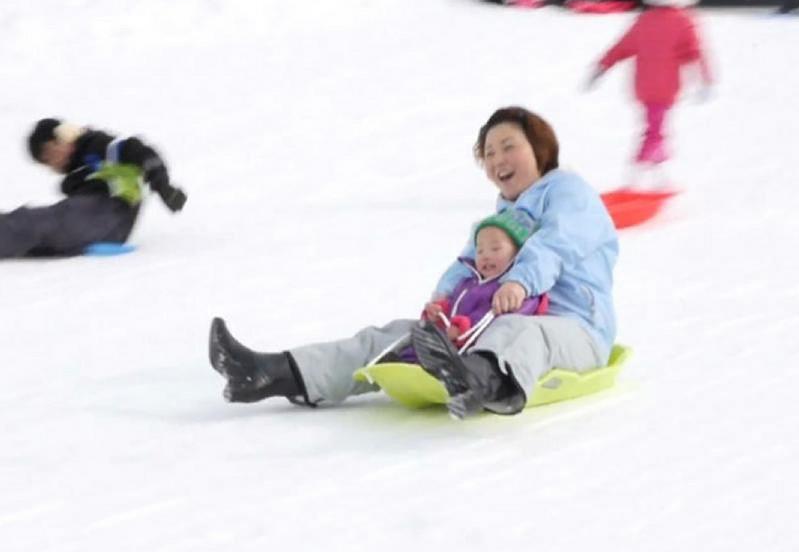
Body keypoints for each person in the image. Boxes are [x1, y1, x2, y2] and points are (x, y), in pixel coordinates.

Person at [208, 106, 619, 419]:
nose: (498, 159)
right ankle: (270, 372)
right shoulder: (502, 217)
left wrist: (521, 283)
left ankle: (477, 381)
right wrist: (442, 301)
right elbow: (469, 264)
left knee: (520, 331)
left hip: (574, 331)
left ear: (540, 149)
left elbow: (556, 244)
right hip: (492, 328)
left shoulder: (569, 191)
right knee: (395, 335)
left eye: (509, 146)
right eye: (489, 153)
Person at [586, 0, 711, 189]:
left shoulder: (645, 20)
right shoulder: (683, 21)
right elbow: (695, 52)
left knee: (655, 127)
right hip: (664, 89)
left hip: (643, 87)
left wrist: (601, 66)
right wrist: (705, 80)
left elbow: (622, 47)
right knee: (655, 132)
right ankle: (637, 175)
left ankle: (656, 175)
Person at [0, 118, 186, 259]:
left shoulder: (98, 146)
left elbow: (140, 152)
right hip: (104, 223)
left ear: (62, 138)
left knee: (37, 222)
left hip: (108, 211)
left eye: (50, 153)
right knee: (41, 234)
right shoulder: (80, 169)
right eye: (46, 163)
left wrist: (163, 187)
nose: (53, 165)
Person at [385, 208, 549, 364]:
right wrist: (438, 312)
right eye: (480, 251)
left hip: (480, 354)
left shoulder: (516, 291)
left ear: (518, 254)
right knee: (419, 341)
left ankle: (441, 371)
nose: (485, 256)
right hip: (453, 343)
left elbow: (502, 322)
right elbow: (452, 308)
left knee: (476, 352)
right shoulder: (467, 284)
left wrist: (462, 328)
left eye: (495, 249)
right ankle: (402, 365)